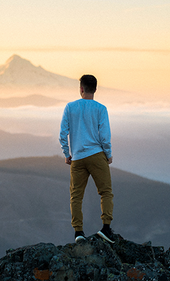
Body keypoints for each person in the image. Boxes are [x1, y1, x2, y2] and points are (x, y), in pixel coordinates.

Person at [59, 74, 115, 243]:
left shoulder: (70, 107)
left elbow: (63, 134)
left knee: (76, 196)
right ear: (95, 89)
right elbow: (104, 136)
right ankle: (106, 228)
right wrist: (108, 154)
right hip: (96, 155)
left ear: (81, 88)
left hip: (77, 158)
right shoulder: (100, 109)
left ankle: (78, 232)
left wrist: (67, 153)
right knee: (105, 192)